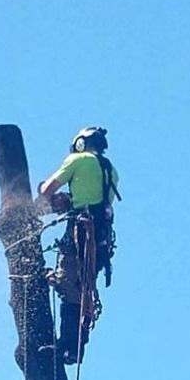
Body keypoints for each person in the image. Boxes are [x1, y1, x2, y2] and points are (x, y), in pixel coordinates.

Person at [37, 127, 120, 365]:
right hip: (99, 240)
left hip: (80, 231)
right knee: (84, 289)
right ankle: (74, 348)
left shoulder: (78, 159)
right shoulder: (111, 171)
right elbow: (94, 199)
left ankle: (65, 345)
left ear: (80, 144)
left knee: (67, 285)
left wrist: (44, 198)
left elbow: (48, 189)